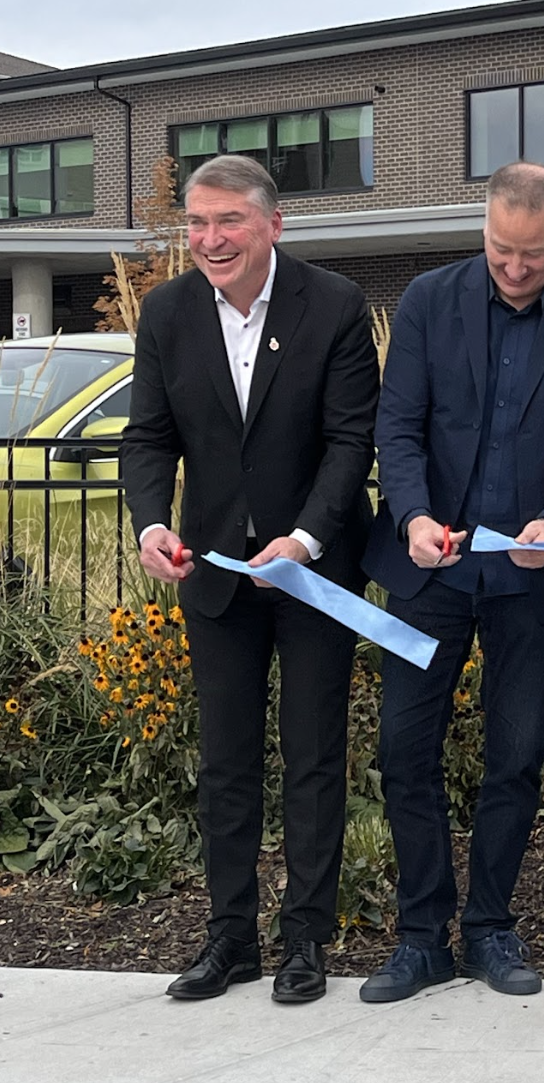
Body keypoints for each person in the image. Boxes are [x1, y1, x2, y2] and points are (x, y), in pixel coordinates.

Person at [358, 162, 544, 1003]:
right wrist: (412, 516)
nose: (514, 268)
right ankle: (420, 935)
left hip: (533, 581)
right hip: (430, 569)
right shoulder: (429, 301)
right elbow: (397, 427)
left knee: (515, 758)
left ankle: (489, 928)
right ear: (484, 229)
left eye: (533, 256)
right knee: (405, 749)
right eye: (502, 250)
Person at [121, 154, 380, 1004]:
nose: (208, 239)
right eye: (197, 223)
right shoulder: (166, 311)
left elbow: (351, 442)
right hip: (215, 580)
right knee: (226, 764)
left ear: (274, 224)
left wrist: (304, 540)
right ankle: (228, 940)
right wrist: (154, 523)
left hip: (310, 577)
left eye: (227, 220)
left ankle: (305, 940)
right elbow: (149, 436)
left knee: (312, 760)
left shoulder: (334, 305)